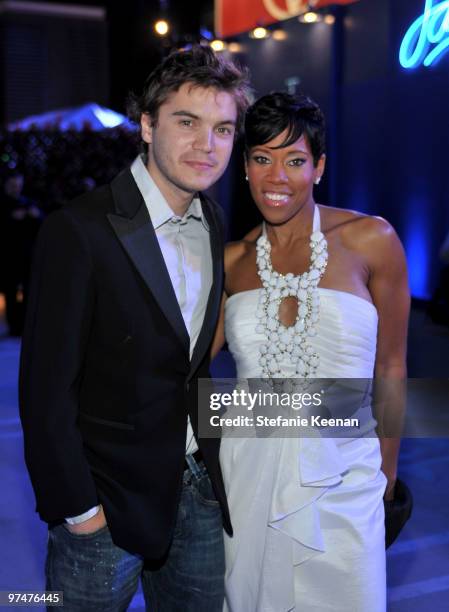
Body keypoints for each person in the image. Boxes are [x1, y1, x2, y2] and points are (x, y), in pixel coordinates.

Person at [19, 46, 251, 611]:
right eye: (187, 122)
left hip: (196, 495)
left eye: (223, 128)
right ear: (147, 125)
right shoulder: (79, 230)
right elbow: (44, 393)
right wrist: (81, 513)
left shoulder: (214, 219)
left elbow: (188, 360)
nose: (207, 144)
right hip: (105, 506)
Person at [211, 92, 410, 611]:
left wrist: (385, 474)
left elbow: (390, 364)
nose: (277, 177)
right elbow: (180, 365)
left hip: (348, 478)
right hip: (248, 476)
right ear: (245, 168)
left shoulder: (372, 240)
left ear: (319, 167)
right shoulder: (230, 261)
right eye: (262, 158)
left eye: (295, 160)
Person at [0, 173, 43, 336]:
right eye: (12, 185)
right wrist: (10, 219)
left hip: (26, 255)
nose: (15, 188)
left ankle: (25, 325)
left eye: (18, 185)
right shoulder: (3, 204)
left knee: (29, 290)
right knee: (10, 292)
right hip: (7, 256)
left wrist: (36, 216)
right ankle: (14, 327)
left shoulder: (27, 203)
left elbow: (42, 224)